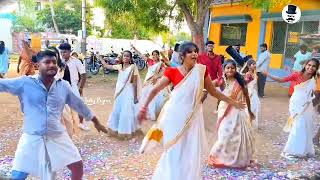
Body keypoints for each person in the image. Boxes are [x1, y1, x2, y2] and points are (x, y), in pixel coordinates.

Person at [138, 42, 245, 180]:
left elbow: (213, 92)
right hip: (174, 116)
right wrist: (143, 108)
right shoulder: (172, 72)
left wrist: (233, 102)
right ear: (182, 56)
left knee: (189, 150)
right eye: (190, 52)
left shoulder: (201, 71)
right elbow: (154, 90)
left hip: (193, 117)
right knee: (173, 148)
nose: (194, 54)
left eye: (195, 51)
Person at [0, 50, 108, 180]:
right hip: (32, 136)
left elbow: (79, 105)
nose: (51, 65)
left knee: (77, 166)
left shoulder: (63, 86)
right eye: (47, 62)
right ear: (36, 66)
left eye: (54, 62)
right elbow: (2, 84)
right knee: (19, 174)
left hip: (57, 135)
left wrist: (96, 122)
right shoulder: (24, 83)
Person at [263, 58, 319, 159]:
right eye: (309, 65)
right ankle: (291, 151)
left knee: (306, 126)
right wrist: (268, 75)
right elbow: (282, 80)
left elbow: (315, 93)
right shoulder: (297, 75)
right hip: (296, 104)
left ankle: (304, 150)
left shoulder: (315, 79)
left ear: (316, 69)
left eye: (313, 66)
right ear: (305, 65)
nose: (310, 68)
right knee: (298, 126)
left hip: (307, 106)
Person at [208, 60, 255, 169]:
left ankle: (236, 159)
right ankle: (219, 157)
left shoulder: (240, 81)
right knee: (224, 135)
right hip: (224, 111)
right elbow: (208, 86)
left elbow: (247, 96)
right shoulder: (221, 81)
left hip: (238, 112)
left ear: (235, 69)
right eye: (227, 68)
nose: (230, 70)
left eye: (232, 68)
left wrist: (250, 110)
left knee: (237, 136)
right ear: (224, 69)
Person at [101, 50, 142, 140]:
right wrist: (101, 59)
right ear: (122, 58)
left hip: (129, 92)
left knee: (126, 112)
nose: (126, 58)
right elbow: (108, 66)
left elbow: (134, 82)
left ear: (130, 58)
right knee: (117, 110)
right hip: (119, 93)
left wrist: (135, 97)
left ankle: (125, 132)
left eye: (128, 56)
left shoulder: (133, 67)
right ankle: (114, 130)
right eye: (124, 56)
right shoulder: (120, 66)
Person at [59, 43, 88, 131]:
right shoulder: (58, 61)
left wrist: (81, 87)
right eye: (61, 52)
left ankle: (81, 123)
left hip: (73, 86)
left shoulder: (76, 61)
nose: (63, 54)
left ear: (70, 52)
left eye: (65, 52)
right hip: (60, 87)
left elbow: (83, 74)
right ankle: (61, 125)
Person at [241, 59, 261, 129]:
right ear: (249, 66)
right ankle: (248, 125)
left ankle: (252, 124)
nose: (255, 65)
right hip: (250, 93)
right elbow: (244, 84)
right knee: (250, 108)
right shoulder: (248, 74)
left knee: (255, 108)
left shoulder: (254, 73)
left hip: (254, 93)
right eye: (253, 64)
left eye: (255, 64)